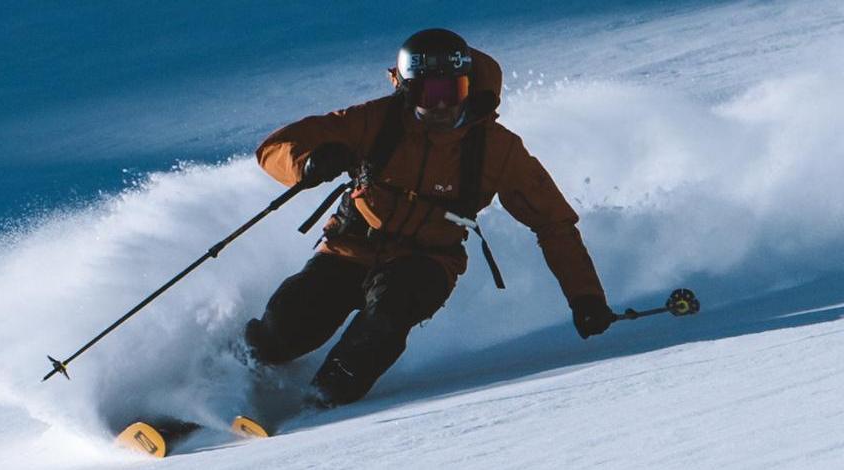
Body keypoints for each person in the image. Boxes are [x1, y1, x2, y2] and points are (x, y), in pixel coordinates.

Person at [244, 28, 615, 407]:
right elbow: (276, 147)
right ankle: (234, 376)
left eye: (452, 92)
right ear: (407, 91)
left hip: (426, 259)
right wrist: (308, 162)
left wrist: (585, 297)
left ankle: (323, 400)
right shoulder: (377, 121)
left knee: (388, 314)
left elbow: (553, 223)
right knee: (291, 323)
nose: (441, 106)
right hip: (350, 248)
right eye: (428, 94)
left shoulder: (496, 148)